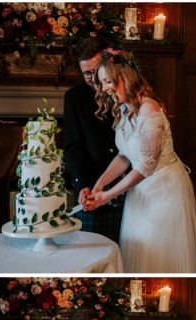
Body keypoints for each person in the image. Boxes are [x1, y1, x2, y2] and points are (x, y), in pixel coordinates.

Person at [81, 48, 196, 273]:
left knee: (161, 253)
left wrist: (108, 196)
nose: (103, 88)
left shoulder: (149, 109)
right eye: (101, 83)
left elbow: (145, 166)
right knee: (141, 249)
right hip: (140, 191)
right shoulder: (124, 108)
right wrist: (100, 184)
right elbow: (125, 155)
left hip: (165, 191)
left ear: (122, 76)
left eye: (106, 81)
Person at [63, 38, 124, 243]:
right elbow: (73, 148)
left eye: (95, 70)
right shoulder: (74, 97)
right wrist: (82, 185)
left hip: (130, 184)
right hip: (92, 188)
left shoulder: (124, 90)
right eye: (86, 73)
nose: (92, 78)